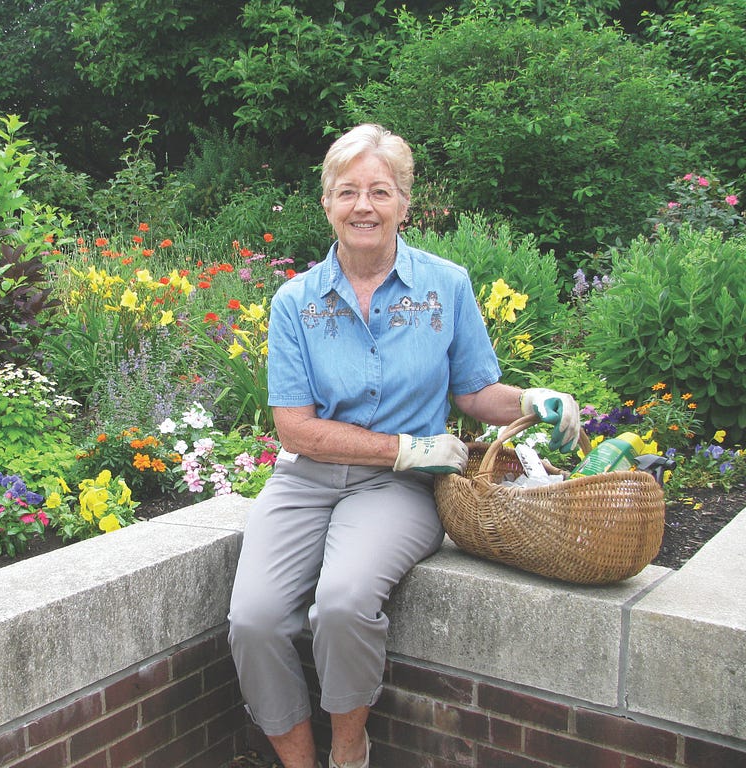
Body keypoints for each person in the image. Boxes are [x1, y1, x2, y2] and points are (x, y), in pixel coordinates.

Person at [226, 123, 579, 768]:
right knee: (253, 619)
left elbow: (476, 392)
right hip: (310, 478)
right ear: (326, 203)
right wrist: (405, 446)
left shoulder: (445, 286)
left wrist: (532, 401)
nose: (364, 206)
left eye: (380, 191)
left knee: (341, 602)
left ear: (403, 203)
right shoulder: (295, 302)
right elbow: (295, 428)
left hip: (398, 491)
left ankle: (349, 749)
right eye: (348, 191)